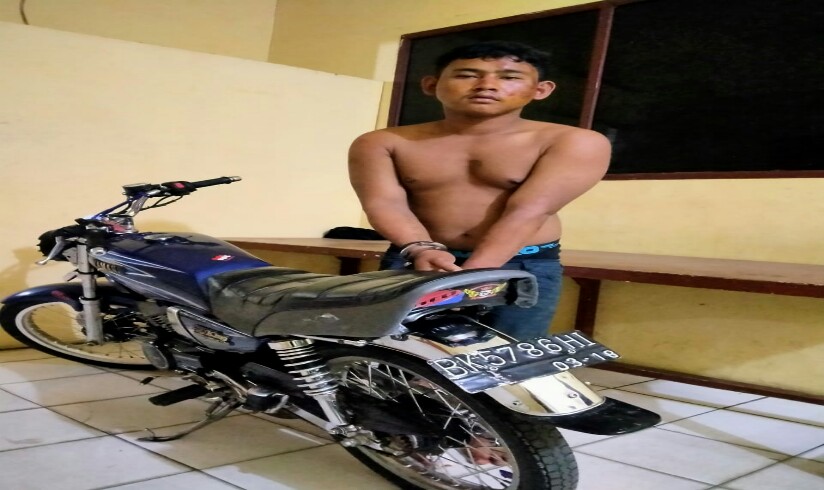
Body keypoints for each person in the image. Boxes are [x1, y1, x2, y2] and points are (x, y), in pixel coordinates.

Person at [348, 40, 610, 340]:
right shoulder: (382, 142)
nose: (486, 85)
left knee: (506, 357)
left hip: (521, 262)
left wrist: (474, 275)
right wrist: (422, 248)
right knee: (395, 352)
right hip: (416, 258)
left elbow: (530, 210)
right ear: (431, 84)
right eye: (466, 75)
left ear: (541, 90)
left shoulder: (574, 141)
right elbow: (385, 203)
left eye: (509, 77)